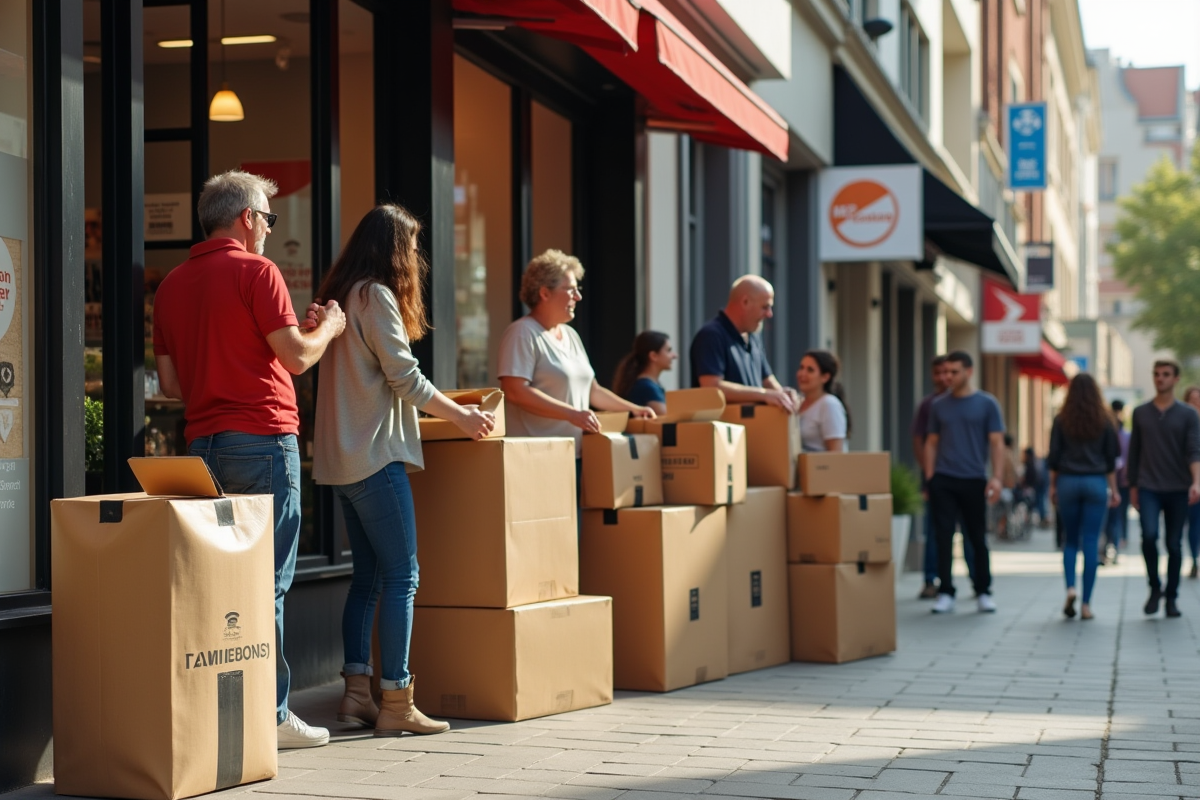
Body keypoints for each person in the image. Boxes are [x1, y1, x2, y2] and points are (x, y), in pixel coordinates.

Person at [152, 169, 346, 749]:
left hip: (201, 445)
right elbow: (296, 360)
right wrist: (329, 329)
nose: (267, 226)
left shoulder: (171, 284)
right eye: (267, 216)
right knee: (266, 586)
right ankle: (272, 716)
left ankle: (214, 713)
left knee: (212, 585)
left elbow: (171, 384)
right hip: (262, 439)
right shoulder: (258, 270)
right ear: (246, 219)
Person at [312, 205, 495, 737]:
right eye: (412, 246)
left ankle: (354, 695)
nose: (417, 256)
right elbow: (406, 378)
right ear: (394, 248)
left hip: (342, 461)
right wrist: (462, 415)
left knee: (367, 579)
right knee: (402, 577)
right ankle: (396, 700)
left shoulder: (345, 293)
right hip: (374, 457)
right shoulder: (377, 295)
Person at [498, 250, 655, 470]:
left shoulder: (571, 335)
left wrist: (634, 409)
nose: (578, 296)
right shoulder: (522, 333)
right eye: (571, 289)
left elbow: (593, 391)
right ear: (544, 293)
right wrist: (572, 414)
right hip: (536, 459)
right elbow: (515, 390)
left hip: (575, 455)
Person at [923, 350, 1005, 614]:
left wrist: (997, 477)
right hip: (944, 480)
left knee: (976, 537)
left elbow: (996, 442)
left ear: (969, 372)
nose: (947, 377)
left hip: (974, 479)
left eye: (953, 372)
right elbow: (931, 442)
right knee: (943, 537)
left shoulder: (987, 403)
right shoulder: (938, 405)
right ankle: (945, 591)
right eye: (945, 372)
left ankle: (983, 591)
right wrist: (930, 476)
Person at [1128, 360, 1200, 618]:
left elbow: (1194, 450)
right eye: (1156, 374)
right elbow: (1134, 451)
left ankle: (1171, 597)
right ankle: (1154, 587)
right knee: (1148, 536)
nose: (1160, 378)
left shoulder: (1188, 414)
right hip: (1148, 486)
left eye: (1166, 374)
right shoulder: (1140, 412)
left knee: (1174, 544)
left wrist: (1196, 481)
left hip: (1178, 487)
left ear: (1176, 379)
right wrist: (1132, 485)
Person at [1047, 374, 1120, 621]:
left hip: (1068, 481)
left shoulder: (1061, 420)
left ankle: (1070, 589)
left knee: (1070, 541)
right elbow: (1111, 460)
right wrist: (1115, 489)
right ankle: (1087, 604)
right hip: (1096, 482)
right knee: (1091, 541)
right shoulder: (1105, 421)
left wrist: (1053, 486)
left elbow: (1054, 458)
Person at [911, 355, 976, 599]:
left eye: (948, 372)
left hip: (967, 478)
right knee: (936, 533)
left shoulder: (971, 402)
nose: (943, 377)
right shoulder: (930, 405)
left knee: (970, 532)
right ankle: (932, 580)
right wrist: (930, 476)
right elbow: (921, 441)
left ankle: (976, 580)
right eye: (938, 372)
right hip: (939, 479)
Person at [689, 275, 798, 411]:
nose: (769, 314)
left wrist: (783, 395)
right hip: (723, 431)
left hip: (752, 428)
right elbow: (712, 387)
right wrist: (764, 395)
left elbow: (768, 381)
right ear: (745, 302)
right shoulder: (711, 335)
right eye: (765, 307)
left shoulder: (752, 337)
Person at [795, 349, 849, 452]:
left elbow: (836, 453)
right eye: (801, 368)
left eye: (810, 370)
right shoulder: (798, 403)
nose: (802, 374)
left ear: (825, 377)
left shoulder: (829, 405)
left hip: (819, 467)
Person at [612, 331, 677, 416]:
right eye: (668, 350)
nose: (675, 355)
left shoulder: (646, 384)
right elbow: (667, 417)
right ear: (653, 356)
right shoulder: (646, 387)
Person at [1101, 399, 1131, 565]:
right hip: (1108, 480)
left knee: (1118, 515)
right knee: (1109, 517)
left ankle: (1117, 545)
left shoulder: (1127, 435)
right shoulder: (1107, 430)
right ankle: (1109, 547)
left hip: (1121, 481)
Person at [1185, 386, 1200, 578]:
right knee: (1193, 523)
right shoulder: (1184, 424)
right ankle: (1194, 559)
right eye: (1193, 400)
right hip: (1190, 482)